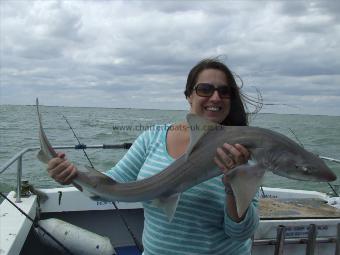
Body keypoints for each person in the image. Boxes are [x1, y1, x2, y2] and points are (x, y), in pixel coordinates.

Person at [48, 58, 259, 255]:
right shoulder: (154, 137)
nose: (215, 97)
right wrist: (71, 175)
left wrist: (233, 183)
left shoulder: (243, 150)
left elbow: (240, 233)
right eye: (205, 89)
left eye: (224, 91)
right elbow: (106, 191)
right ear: (188, 95)